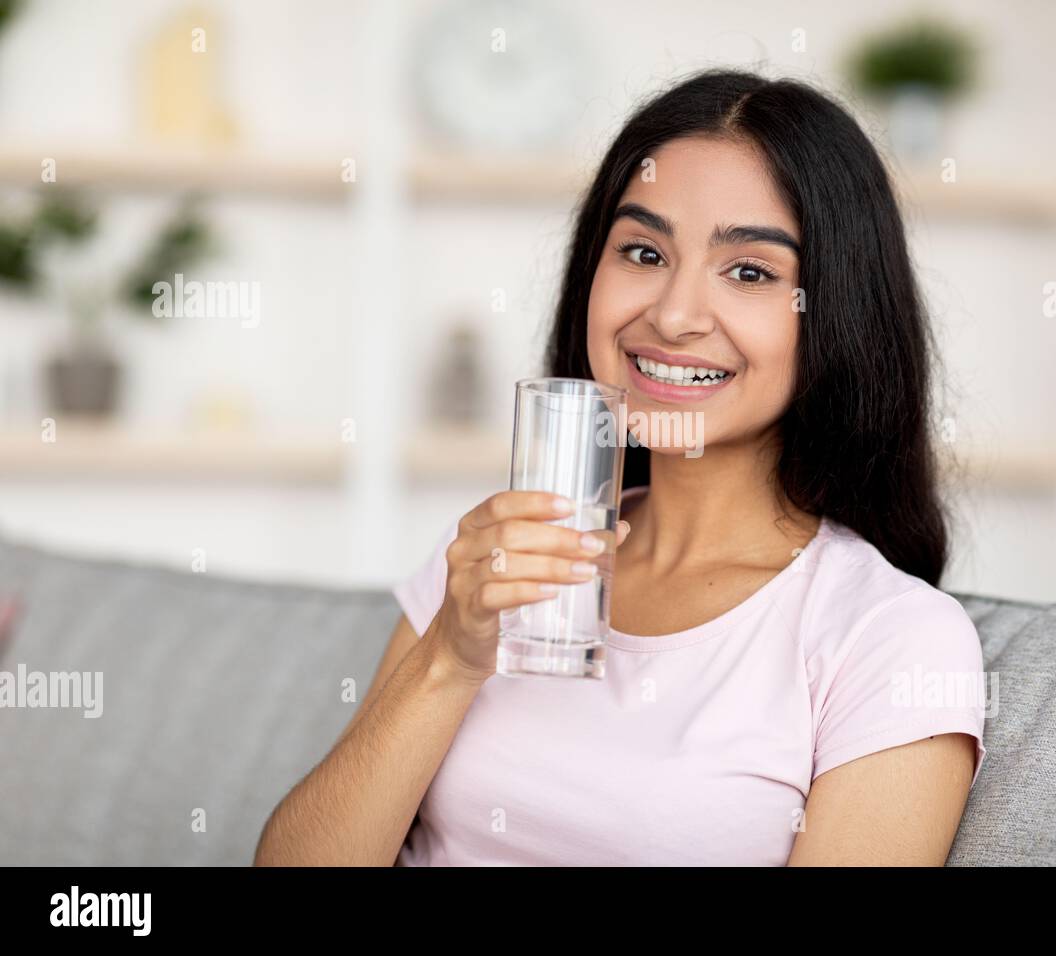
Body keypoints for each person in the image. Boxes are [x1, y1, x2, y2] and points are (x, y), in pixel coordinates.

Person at [254, 68, 988, 867]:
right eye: (643, 251)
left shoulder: (888, 638)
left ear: (837, 313)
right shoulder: (493, 557)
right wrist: (449, 658)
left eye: (750, 271)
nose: (672, 315)